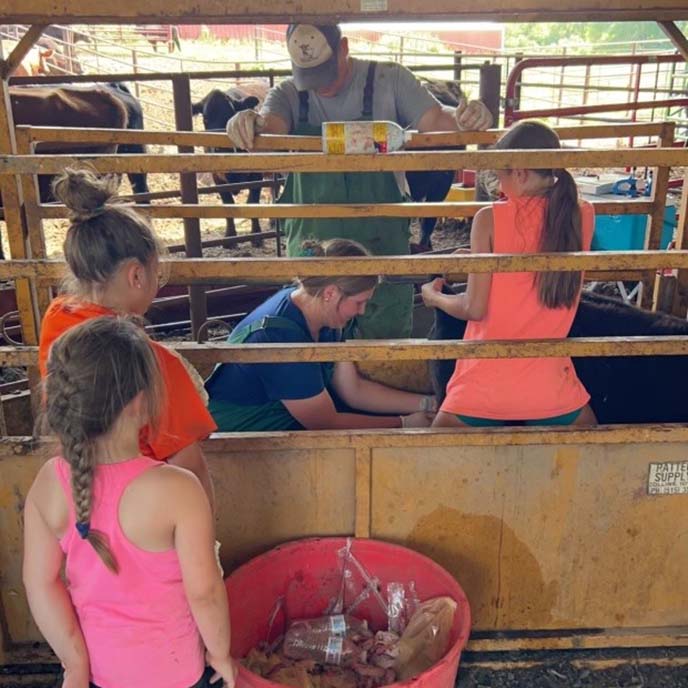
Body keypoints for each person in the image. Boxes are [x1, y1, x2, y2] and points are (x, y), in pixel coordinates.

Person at [224, 23, 492, 340]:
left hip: (381, 252)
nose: (319, 87)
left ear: (344, 48)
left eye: (325, 73)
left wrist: (467, 118)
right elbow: (269, 126)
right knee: (313, 351)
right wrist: (248, 122)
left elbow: (436, 119)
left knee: (386, 346)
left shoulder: (388, 79)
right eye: (308, 76)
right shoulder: (288, 94)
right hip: (317, 260)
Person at [23, 317, 236, 688]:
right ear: (140, 402)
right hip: (179, 674)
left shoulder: (49, 482)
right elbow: (204, 592)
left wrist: (74, 664)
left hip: (101, 676)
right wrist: (220, 653)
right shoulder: (178, 489)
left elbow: (40, 584)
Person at [38, 168, 216, 508]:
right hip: (148, 515)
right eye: (156, 273)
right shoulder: (153, 365)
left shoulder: (57, 321)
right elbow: (190, 468)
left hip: (78, 501)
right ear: (136, 274)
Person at [421, 121, 598, 428]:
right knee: (598, 458)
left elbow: (473, 308)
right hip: (550, 389)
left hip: (483, 385)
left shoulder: (489, 218)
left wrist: (434, 297)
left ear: (520, 173)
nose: (500, 188)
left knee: (433, 466)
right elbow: (532, 264)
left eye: (501, 176)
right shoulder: (581, 214)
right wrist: (477, 259)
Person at [205, 239, 436, 432]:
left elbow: (352, 390)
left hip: (282, 420)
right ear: (331, 293)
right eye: (360, 302)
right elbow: (323, 422)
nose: (362, 311)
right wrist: (403, 423)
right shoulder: (279, 337)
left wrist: (429, 404)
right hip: (240, 434)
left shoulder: (325, 314)